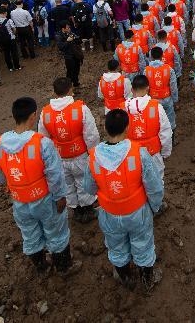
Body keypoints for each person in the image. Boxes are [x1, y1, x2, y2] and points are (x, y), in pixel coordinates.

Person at [0, 97, 78, 276]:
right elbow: (55, 174)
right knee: (56, 231)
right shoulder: (42, 143)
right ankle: (63, 267)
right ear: (33, 116)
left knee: (30, 234)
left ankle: (41, 267)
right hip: (44, 199)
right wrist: (60, 196)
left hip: (20, 201)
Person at [83, 109, 164, 291]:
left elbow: (88, 187)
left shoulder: (93, 156)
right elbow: (154, 186)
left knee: (116, 245)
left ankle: (125, 277)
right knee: (143, 243)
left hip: (109, 214)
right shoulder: (139, 153)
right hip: (137, 212)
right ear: (128, 128)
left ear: (104, 127)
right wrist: (154, 206)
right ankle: (147, 279)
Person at [38, 77, 100, 223]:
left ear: (54, 92)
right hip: (80, 155)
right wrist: (93, 153)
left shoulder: (45, 113)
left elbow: (43, 138)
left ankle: (76, 211)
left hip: (60, 157)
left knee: (67, 184)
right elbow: (91, 135)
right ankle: (88, 209)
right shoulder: (81, 109)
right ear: (71, 89)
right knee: (83, 181)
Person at [125, 75, 173, 184]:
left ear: (132, 90)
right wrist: (165, 152)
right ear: (148, 88)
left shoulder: (123, 108)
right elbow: (165, 132)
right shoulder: (156, 107)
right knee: (156, 181)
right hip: (153, 154)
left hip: (131, 156)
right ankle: (156, 201)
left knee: (135, 182)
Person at [145, 46, 179, 130]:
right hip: (166, 99)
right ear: (162, 56)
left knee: (154, 120)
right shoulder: (169, 69)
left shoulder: (146, 70)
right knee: (170, 120)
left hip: (153, 100)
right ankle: (171, 140)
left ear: (151, 56)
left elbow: (145, 87)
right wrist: (175, 100)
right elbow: (173, 87)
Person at [55, 21, 84, 88]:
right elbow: (61, 47)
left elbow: (79, 41)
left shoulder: (70, 33)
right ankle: (68, 88)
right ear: (63, 29)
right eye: (68, 27)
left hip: (76, 55)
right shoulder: (58, 36)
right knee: (70, 73)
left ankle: (76, 83)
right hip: (69, 57)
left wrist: (76, 38)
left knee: (77, 70)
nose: (69, 28)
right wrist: (67, 41)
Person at [0, 7, 21, 72]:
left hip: (2, 40)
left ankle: (10, 67)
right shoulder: (9, 20)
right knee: (14, 53)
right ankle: (17, 66)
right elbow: (14, 29)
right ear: (5, 13)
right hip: (11, 39)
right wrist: (13, 34)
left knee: (6, 53)